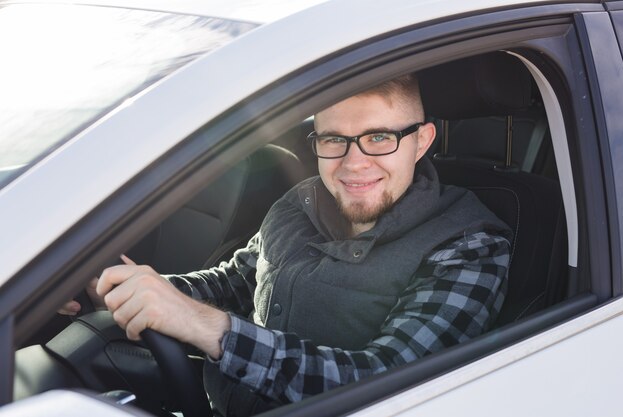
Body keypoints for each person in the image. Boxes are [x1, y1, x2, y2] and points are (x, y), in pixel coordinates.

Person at [60, 74, 511, 416]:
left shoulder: (470, 243)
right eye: (335, 140)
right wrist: (130, 289)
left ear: (421, 141)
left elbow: (384, 383)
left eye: (379, 137)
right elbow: (236, 281)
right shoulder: (300, 203)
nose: (354, 164)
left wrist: (210, 330)